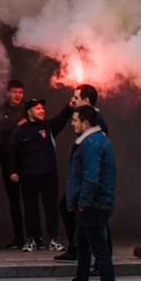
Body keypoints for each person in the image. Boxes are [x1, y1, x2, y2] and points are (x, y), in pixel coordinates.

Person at [60, 105, 118, 281]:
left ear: (85, 122)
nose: (72, 123)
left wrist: (83, 203)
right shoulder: (98, 140)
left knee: (101, 255)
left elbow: (91, 177)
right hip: (94, 205)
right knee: (82, 244)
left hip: (93, 207)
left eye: (74, 120)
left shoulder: (91, 143)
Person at [49, 84, 109, 264]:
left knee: (96, 221)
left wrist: (88, 186)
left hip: (89, 182)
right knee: (67, 207)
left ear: (87, 101)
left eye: (76, 97)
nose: (73, 100)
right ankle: (77, 250)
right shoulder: (86, 117)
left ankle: (99, 260)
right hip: (82, 181)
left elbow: (95, 157)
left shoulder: (97, 122)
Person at [8, 98, 62, 252]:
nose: (42, 110)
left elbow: (61, 119)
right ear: (29, 111)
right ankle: (33, 240)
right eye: (38, 108)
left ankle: (54, 239)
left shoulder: (48, 126)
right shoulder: (20, 131)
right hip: (28, 176)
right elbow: (12, 152)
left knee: (51, 208)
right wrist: (12, 171)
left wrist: (69, 107)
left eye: (42, 108)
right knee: (31, 209)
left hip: (49, 176)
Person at [0, 80, 28, 249]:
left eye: (20, 92)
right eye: (15, 92)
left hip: (26, 161)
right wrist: (16, 127)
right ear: (8, 93)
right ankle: (19, 238)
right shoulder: (1, 110)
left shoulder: (28, 109)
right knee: (14, 202)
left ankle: (34, 237)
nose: (18, 95)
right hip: (9, 162)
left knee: (29, 200)